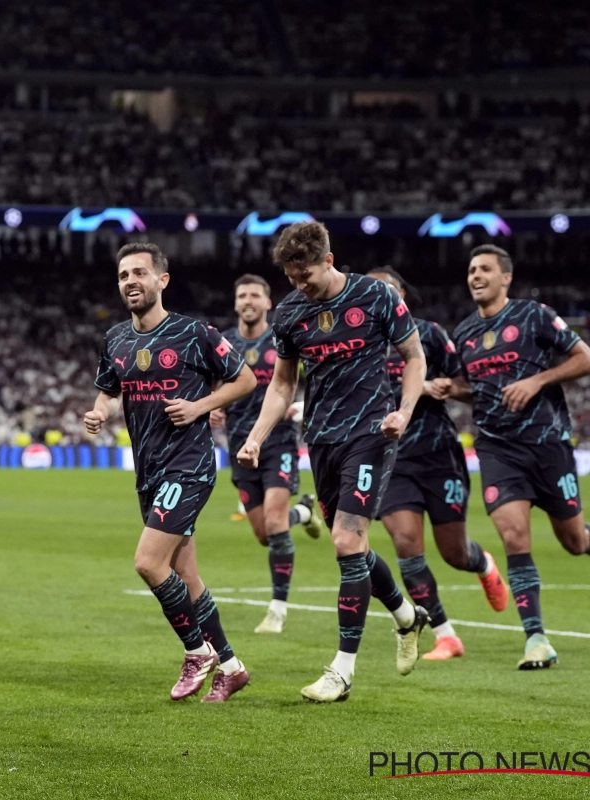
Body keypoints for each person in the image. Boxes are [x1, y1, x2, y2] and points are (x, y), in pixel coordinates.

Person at [237, 221, 429, 703]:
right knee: (355, 550)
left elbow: (414, 356)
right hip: (320, 440)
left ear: (328, 259)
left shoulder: (376, 296)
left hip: (371, 433)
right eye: (291, 277)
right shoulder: (290, 313)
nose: (299, 285)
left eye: (305, 275)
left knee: (346, 540)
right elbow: (282, 385)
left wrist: (403, 411)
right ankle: (408, 618)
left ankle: (341, 673)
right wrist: (257, 437)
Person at [85, 242, 258, 703]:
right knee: (188, 578)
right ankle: (233, 667)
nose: (130, 282)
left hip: (190, 463)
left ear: (162, 279)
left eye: (139, 273)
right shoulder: (116, 340)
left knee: (148, 562)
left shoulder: (194, 333)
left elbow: (245, 379)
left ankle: (196, 652)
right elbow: (107, 390)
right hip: (149, 471)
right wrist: (99, 412)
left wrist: (200, 405)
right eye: (123, 276)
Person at [451, 244, 590, 670]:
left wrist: (537, 381)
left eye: (485, 269)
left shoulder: (535, 315)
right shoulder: (464, 333)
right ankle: (536, 639)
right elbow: (473, 386)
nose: (476, 275)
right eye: (472, 269)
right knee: (514, 536)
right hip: (496, 448)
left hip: (547, 445)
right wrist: (450, 389)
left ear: (505, 277)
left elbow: (584, 357)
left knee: (574, 542)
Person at [365, 267, 509, 661]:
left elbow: (468, 385)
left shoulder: (427, 334)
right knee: (407, 545)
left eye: (387, 289)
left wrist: (449, 388)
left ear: (401, 297)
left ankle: (481, 563)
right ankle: (446, 636)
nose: (380, 296)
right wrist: (415, 388)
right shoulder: (358, 342)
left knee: (453, 553)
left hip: (438, 454)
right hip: (390, 459)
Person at [212, 274, 326, 635]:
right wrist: (213, 406)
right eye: (242, 294)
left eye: (255, 295)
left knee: (275, 524)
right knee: (265, 534)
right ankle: (305, 511)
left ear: (267, 303)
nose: (247, 300)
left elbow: (322, 374)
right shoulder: (224, 342)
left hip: (278, 441)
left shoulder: (283, 338)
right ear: (236, 303)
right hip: (239, 447)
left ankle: (277, 610)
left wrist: (303, 403)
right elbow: (212, 382)